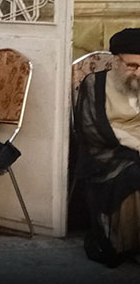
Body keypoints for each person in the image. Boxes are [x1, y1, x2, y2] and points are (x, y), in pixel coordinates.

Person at [75, 28, 140, 266]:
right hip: (107, 151)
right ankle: (123, 242)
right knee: (133, 173)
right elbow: (89, 127)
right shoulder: (95, 84)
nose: (138, 73)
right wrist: (135, 145)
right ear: (115, 61)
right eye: (132, 66)